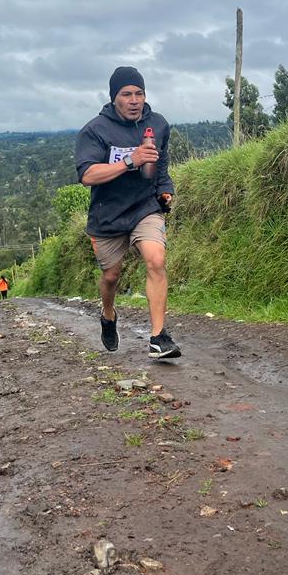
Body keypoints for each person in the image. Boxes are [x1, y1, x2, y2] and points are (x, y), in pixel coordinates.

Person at [75, 66, 181, 359]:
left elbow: (161, 166)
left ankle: (158, 337)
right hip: (107, 214)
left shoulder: (158, 124)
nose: (134, 100)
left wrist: (165, 190)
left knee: (156, 259)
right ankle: (108, 315)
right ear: (114, 98)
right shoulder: (95, 130)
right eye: (126, 94)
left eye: (139, 93)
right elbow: (87, 175)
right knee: (111, 276)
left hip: (145, 207)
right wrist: (130, 161)